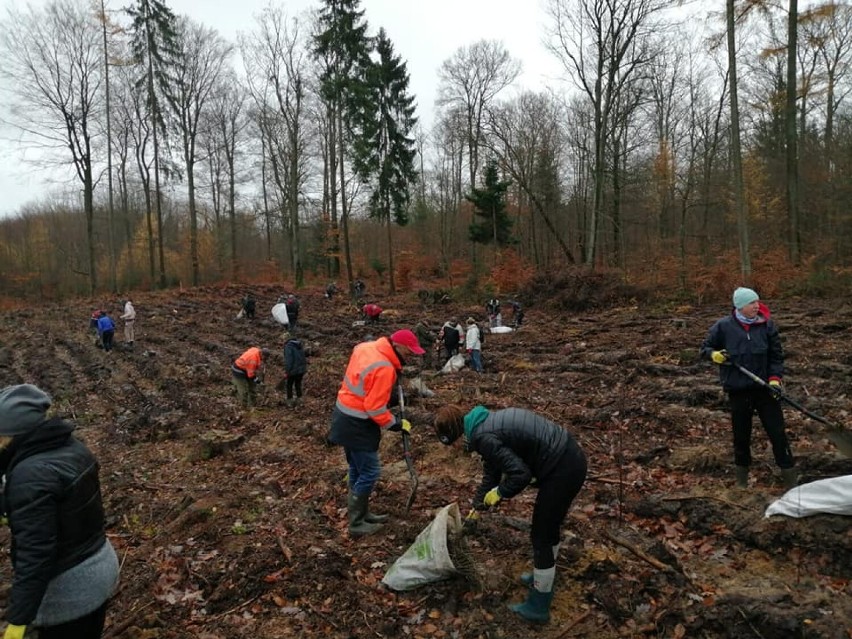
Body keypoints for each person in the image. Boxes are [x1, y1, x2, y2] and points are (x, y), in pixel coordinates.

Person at [433, 404, 587, 624]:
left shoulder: (483, 437)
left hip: (563, 468)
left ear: (456, 437)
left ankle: (538, 605)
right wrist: (477, 507)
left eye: (453, 445)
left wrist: (500, 493)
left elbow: (520, 475)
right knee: (547, 529)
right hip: (568, 457)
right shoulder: (481, 424)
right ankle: (543, 575)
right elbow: (493, 470)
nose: (456, 450)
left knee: (541, 536)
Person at [0, 384, 119, 639]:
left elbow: (36, 555)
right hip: (98, 565)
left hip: (69, 590)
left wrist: (18, 621)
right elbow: (62, 508)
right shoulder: (69, 448)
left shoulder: (30, 475)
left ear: (10, 434)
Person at [328, 329, 425, 537]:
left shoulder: (367, 347)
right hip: (357, 423)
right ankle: (355, 523)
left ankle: (362, 514)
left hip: (343, 415)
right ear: (397, 346)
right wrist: (396, 424)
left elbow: (362, 375)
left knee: (356, 468)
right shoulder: (384, 367)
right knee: (370, 472)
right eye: (409, 351)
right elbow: (374, 408)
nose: (410, 355)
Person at [700, 287, 796, 489]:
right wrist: (715, 355)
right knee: (741, 437)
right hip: (738, 391)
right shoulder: (723, 327)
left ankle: (791, 482)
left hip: (766, 391)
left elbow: (776, 356)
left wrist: (775, 380)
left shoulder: (767, 326)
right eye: (752, 303)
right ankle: (741, 485)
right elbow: (705, 349)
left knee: (778, 434)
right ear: (740, 306)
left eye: (757, 302)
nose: (757, 306)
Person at [283, 333, 307, 408]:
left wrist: (287, 371)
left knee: (289, 385)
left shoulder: (288, 347)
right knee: (298, 384)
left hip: (293, 370)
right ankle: (299, 401)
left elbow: (289, 360)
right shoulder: (299, 345)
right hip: (301, 370)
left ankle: (290, 401)